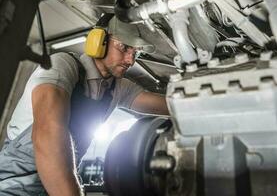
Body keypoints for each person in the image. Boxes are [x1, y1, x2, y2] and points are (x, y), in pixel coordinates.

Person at [0, 16, 168, 196]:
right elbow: (48, 134)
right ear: (98, 41)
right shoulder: (62, 65)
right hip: (14, 186)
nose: (130, 60)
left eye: (136, 53)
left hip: (57, 185)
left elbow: (168, 105)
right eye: (125, 47)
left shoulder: (117, 87)